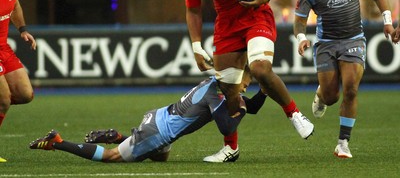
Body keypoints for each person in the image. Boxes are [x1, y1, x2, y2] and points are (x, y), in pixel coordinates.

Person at [181, 0, 314, 161]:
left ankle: (294, 114)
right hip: (227, 27)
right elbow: (193, 11)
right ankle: (231, 148)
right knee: (228, 90)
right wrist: (196, 46)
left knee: (260, 68)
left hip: (255, 16)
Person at [294, 0, 395, 159]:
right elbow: (299, 20)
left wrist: (387, 21)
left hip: (353, 40)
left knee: (351, 88)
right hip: (326, 44)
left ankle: (343, 143)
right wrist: (301, 37)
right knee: (332, 97)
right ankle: (321, 94)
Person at [29, 73, 267, 163]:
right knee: (112, 158)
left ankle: (119, 137)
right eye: (247, 79)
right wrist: (242, 110)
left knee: (160, 159)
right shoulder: (217, 94)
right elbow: (227, 128)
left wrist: (266, 90)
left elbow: (251, 106)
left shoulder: (216, 85)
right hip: (159, 132)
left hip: (161, 117)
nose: (247, 84)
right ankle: (58, 142)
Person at [0, 0, 36, 163]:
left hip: (3, 48)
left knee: (24, 94)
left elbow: (14, 4)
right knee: (3, 100)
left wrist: (22, 29)